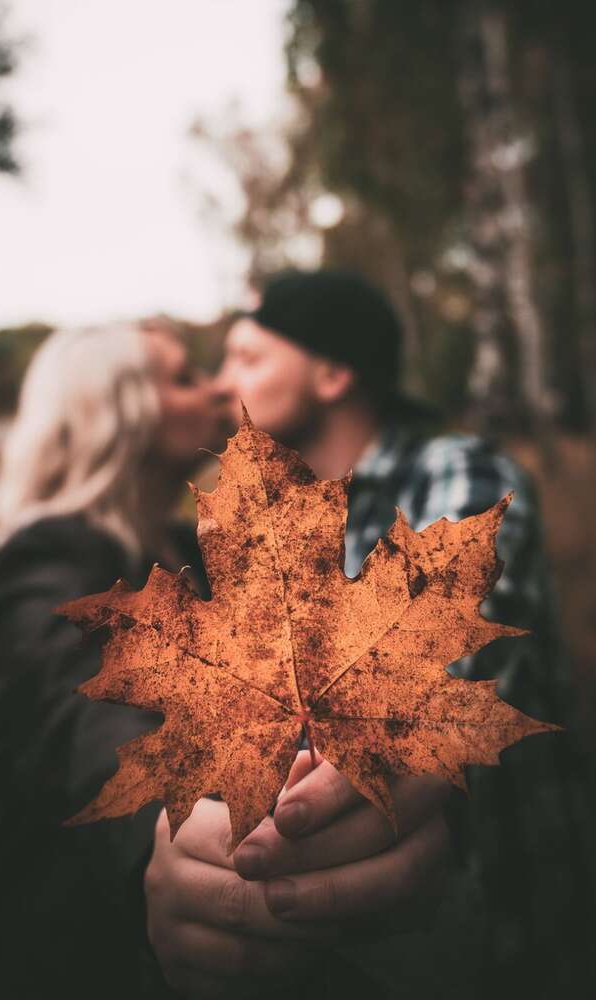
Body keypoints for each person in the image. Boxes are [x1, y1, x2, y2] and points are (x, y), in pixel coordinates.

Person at [142, 270, 593, 998]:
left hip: (517, 933)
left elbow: (426, 693)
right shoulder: (273, 526)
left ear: (332, 375)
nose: (223, 383)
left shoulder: (459, 475)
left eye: (247, 357)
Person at [0, 319, 234, 1000]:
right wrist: (161, 826)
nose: (217, 388)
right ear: (120, 412)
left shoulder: (185, 549)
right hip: (66, 950)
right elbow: (74, 711)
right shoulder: (41, 559)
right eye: (184, 377)